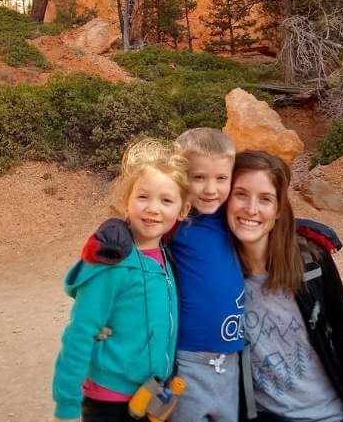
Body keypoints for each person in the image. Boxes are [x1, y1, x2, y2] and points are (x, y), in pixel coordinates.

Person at [81, 128, 246, 422]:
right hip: (185, 360)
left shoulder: (230, 215)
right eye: (199, 178)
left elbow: (260, 218)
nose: (211, 189)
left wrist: (298, 229)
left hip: (229, 363)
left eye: (221, 178)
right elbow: (139, 224)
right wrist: (113, 228)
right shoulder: (176, 222)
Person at [227, 150, 343, 422]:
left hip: (336, 413)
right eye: (241, 194)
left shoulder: (311, 260)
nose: (251, 209)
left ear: (277, 211)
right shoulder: (213, 275)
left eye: (265, 199)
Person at [52, 138, 191, 422]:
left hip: (151, 394)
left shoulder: (165, 253)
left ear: (183, 209)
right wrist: (66, 407)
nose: (153, 208)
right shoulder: (113, 261)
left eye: (166, 200)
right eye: (143, 197)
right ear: (125, 200)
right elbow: (80, 334)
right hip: (108, 399)